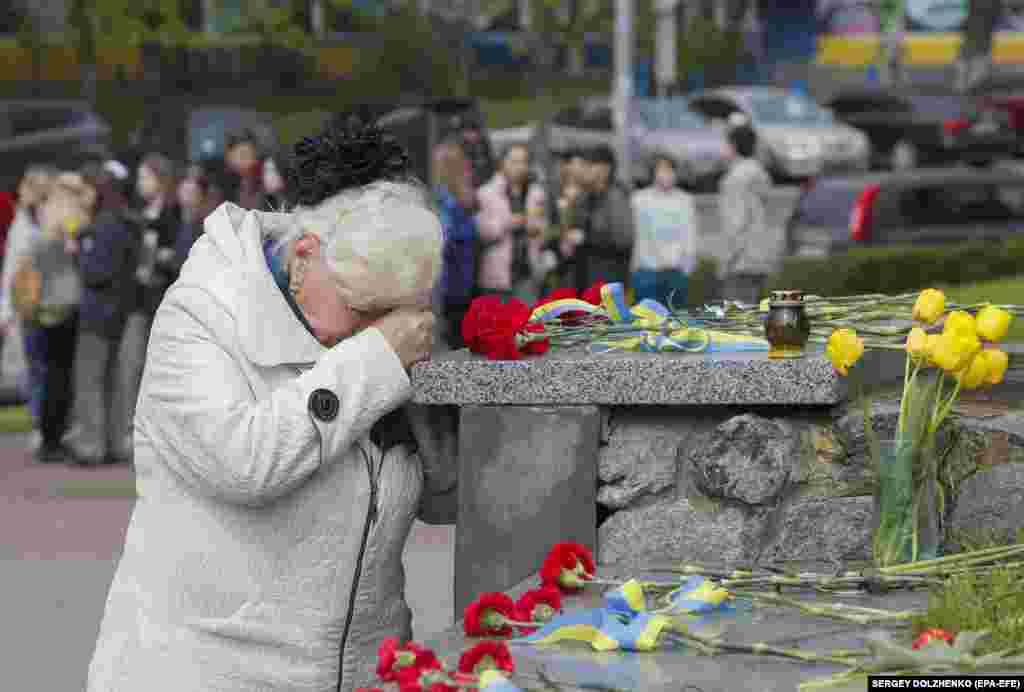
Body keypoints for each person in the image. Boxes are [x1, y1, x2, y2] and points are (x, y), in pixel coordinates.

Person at [86, 116, 457, 692]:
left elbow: (443, 499)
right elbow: (244, 462)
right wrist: (377, 361)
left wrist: (425, 399)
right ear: (305, 255)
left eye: (394, 315)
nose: (371, 331)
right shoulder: (202, 314)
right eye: (359, 312)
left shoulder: (379, 327)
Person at [63, 161, 141, 466]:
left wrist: (78, 250)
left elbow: (95, 272)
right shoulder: (125, 222)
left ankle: (91, 444)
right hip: (119, 309)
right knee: (111, 380)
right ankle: (112, 441)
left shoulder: (104, 225)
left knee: (90, 379)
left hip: (98, 311)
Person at [19, 171, 90, 462]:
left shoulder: (44, 222)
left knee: (49, 374)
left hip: (44, 308)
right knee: (61, 375)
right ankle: (54, 437)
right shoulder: (72, 222)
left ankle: (49, 435)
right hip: (66, 306)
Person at [0, 165, 57, 446]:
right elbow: (11, 268)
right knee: (36, 367)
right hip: (29, 304)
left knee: (51, 368)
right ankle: (40, 425)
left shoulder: (53, 218)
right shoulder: (21, 225)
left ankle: (50, 427)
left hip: (55, 304)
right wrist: (6, 309)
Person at [475, 143, 547, 304]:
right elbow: (481, 232)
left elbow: (544, 229)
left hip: (528, 274)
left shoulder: (536, 193)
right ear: (502, 164)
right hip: (497, 278)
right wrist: (507, 223)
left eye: (524, 162)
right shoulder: (486, 193)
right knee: (499, 327)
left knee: (525, 326)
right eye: (514, 161)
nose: (520, 167)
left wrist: (538, 230)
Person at [562, 144, 635, 292]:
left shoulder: (616, 197)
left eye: (588, 165)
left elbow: (624, 240)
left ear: (605, 169)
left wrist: (587, 238)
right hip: (582, 282)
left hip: (608, 285)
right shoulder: (582, 198)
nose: (583, 170)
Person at [629, 154, 699, 308]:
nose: (666, 173)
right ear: (653, 172)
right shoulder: (639, 200)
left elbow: (690, 235)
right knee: (646, 321)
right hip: (646, 272)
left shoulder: (685, 200)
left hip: (676, 271)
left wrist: (687, 268)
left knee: (676, 321)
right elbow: (635, 234)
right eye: (661, 169)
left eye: (669, 169)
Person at [718, 121, 773, 305]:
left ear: (733, 147)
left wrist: (726, 261)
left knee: (736, 323)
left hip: (739, 262)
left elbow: (736, 224)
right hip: (759, 258)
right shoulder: (761, 174)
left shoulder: (735, 179)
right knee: (753, 318)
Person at [432, 138, 478, 349]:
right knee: (456, 338)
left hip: (460, 279)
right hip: (455, 282)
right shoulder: (448, 201)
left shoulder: (451, 198)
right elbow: (446, 238)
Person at [224, 128, 265, 210]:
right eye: (242, 155)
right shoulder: (226, 184)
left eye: (246, 154)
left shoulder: (264, 178)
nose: (244, 160)